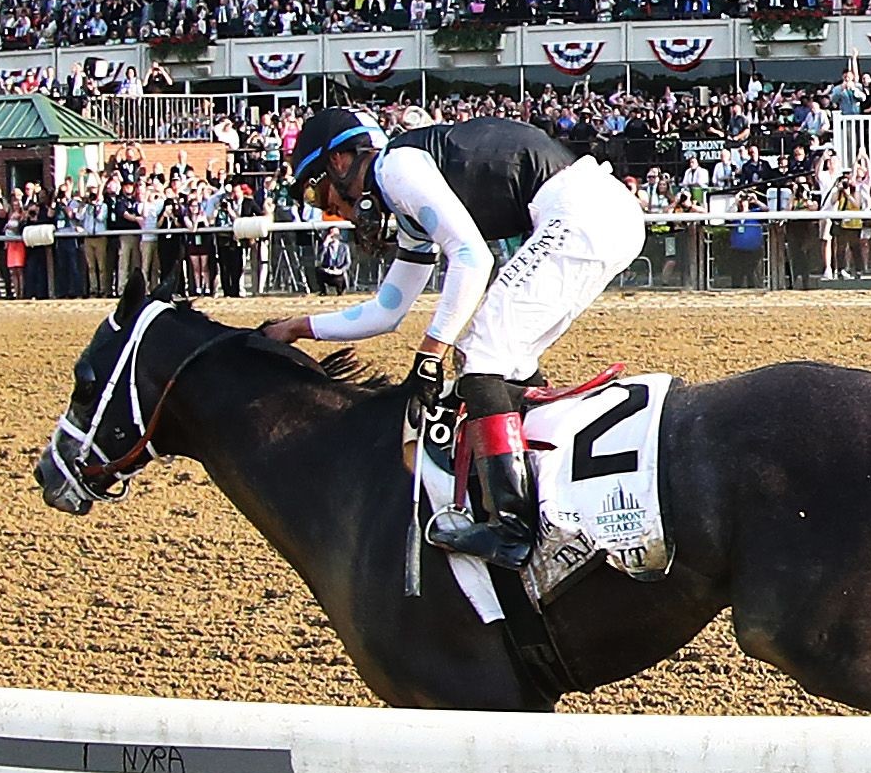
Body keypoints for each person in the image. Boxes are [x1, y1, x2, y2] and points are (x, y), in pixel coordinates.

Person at [279, 103, 672, 570]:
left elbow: (471, 258)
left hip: (580, 215)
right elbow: (387, 309)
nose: (330, 210)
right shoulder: (407, 201)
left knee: (479, 356)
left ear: (340, 162)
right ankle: (544, 497)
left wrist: (431, 351)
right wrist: (299, 327)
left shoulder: (396, 168)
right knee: (508, 365)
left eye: (319, 193)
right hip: (594, 215)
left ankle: (513, 528)